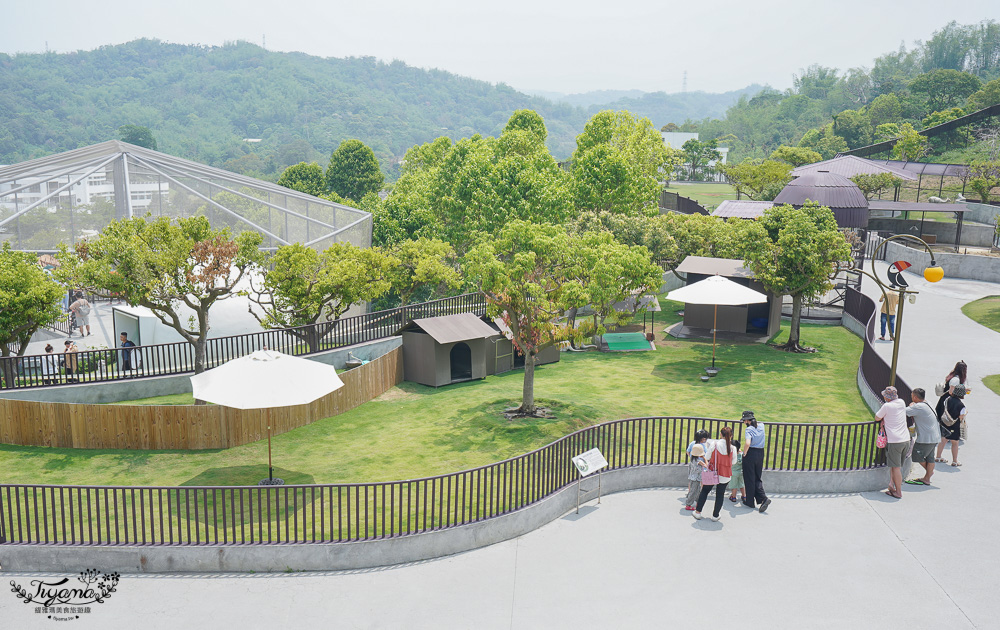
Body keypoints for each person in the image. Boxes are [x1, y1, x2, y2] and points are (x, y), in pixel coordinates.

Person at [693, 426, 737, 522]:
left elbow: (707, 456)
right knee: (720, 494)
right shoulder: (733, 448)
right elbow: (733, 462)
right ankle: (715, 515)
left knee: (705, 491)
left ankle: (698, 512)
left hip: (713, 472)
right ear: (731, 436)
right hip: (725, 474)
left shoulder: (715, 444)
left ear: (721, 435)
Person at [875, 386, 908, 499]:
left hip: (895, 441)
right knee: (896, 466)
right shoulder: (902, 402)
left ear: (887, 397)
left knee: (895, 467)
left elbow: (877, 417)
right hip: (906, 439)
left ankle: (898, 492)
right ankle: (892, 486)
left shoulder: (887, 406)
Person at [904, 388, 938, 486]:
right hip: (935, 436)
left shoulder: (918, 407)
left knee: (916, 455)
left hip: (926, 438)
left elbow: (905, 411)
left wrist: (911, 405)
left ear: (915, 397)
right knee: (930, 457)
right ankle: (927, 478)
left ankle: (928, 474)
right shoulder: (928, 403)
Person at [740, 411, 771, 513]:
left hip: (751, 454)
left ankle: (751, 501)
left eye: (744, 420)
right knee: (757, 477)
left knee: (749, 478)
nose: (744, 422)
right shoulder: (762, 426)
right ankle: (762, 498)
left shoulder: (749, 429)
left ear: (748, 420)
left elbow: (748, 443)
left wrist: (744, 453)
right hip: (760, 453)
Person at [936, 384, 968, 467]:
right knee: (955, 443)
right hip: (954, 425)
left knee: (943, 440)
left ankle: (938, 457)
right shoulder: (961, 405)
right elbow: (961, 417)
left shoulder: (947, 399)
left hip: (945, 423)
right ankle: (954, 461)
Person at [684, 444, 706, 511]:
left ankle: (696, 501)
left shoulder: (692, 460)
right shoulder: (699, 462)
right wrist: (704, 458)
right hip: (696, 478)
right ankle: (688, 504)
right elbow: (706, 465)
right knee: (695, 491)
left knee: (695, 490)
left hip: (692, 477)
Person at [728, 438, 746, 503]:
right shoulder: (741, 454)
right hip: (741, 472)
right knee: (742, 484)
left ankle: (733, 497)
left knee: (734, 486)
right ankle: (744, 496)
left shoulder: (731, 455)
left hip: (733, 473)